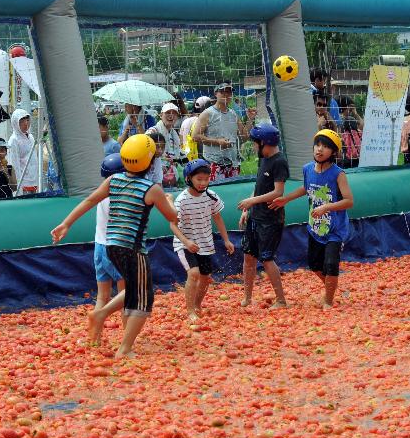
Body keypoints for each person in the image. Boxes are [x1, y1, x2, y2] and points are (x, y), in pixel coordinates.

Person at [52, 134, 191, 358]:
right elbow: (172, 216)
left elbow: (90, 200)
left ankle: (104, 315)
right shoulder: (152, 189)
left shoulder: (113, 181)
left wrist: (66, 223)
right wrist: (171, 201)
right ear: (149, 161)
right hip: (132, 248)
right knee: (143, 301)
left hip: (111, 246)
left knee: (135, 292)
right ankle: (120, 342)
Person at [270, 129, 354, 309]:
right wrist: (287, 198)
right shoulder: (308, 169)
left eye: (325, 147)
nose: (319, 149)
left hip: (335, 230)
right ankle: (332, 287)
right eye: (317, 145)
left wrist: (326, 207)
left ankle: (328, 301)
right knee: (314, 265)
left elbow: (349, 201)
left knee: (330, 264)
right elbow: (306, 188)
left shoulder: (338, 174)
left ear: (334, 152)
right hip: (315, 227)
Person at [173, 158, 235, 321]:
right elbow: (173, 225)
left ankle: (197, 304)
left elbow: (218, 218)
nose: (203, 183)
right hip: (185, 243)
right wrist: (186, 242)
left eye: (206, 179)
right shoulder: (182, 200)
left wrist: (226, 240)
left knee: (205, 277)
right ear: (189, 179)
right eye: (199, 179)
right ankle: (190, 311)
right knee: (194, 273)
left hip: (205, 243)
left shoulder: (211, 196)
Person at [237, 124, 289, 309]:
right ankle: (248, 297)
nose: (253, 147)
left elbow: (278, 191)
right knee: (248, 257)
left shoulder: (279, 161)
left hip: (270, 219)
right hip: (256, 216)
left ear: (264, 143)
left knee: (266, 258)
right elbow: (258, 186)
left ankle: (281, 300)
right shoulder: (264, 159)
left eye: (255, 143)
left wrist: (252, 202)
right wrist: (247, 210)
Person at [91, 153, 127, 346]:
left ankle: (94, 338)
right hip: (115, 249)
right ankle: (127, 340)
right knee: (128, 294)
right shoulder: (120, 196)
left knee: (102, 296)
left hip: (99, 246)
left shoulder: (102, 192)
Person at [193, 81, 257, 181]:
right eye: (223, 92)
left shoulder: (233, 114)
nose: (226, 94)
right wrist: (217, 142)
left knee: (233, 194)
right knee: (215, 193)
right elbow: (195, 136)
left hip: (233, 163)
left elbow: (244, 137)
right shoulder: (208, 113)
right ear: (216, 94)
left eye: (229, 92)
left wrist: (250, 119)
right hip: (213, 164)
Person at [147, 102, 185, 187]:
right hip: (155, 174)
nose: (171, 116)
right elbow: (144, 148)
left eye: (174, 113)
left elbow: (178, 154)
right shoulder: (153, 131)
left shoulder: (174, 133)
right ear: (161, 115)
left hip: (170, 174)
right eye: (168, 113)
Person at [7, 108, 39, 195]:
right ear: (15, 123)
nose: (26, 123)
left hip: (34, 181)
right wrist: (18, 188)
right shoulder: (14, 140)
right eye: (22, 120)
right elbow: (14, 165)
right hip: (23, 183)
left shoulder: (31, 137)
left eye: (27, 120)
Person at [180, 96, 212, 161]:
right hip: (201, 159)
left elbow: (181, 141)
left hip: (186, 157)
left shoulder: (186, 121)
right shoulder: (205, 123)